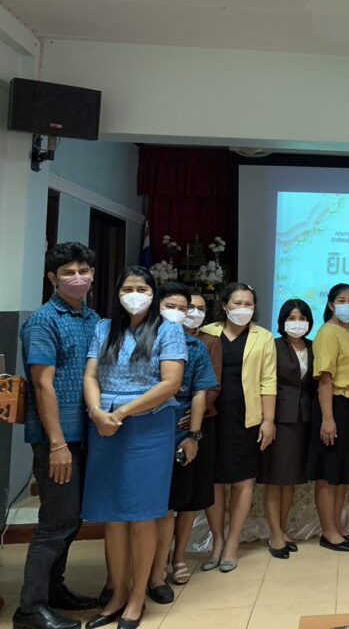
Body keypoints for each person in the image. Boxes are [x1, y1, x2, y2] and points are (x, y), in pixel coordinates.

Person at [80, 266, 186, 629]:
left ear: (153, 294)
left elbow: (171, 383)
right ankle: (118, 593)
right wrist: (97, 412)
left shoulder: (168, 330)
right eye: (128, 288)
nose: (135, 294)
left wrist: (122, 412)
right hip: (105, 425)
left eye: (142, 288)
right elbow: (91, 375)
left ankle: (138, 597)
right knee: (113, 516)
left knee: (142, 515)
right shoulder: (103, 328)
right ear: (117, 292)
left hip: (148, 427)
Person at [14, 243, 101, 629]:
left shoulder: (93, 319)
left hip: (87, 434)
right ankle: (30, 609)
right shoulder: (43, 321)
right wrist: (57, 443)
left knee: (73, 518)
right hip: (57, 439)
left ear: (93, 275)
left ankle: (54, 589)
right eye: (68, 272)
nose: (77, 277)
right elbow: (42, 385)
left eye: (83, 270)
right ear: (52, 278)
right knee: (56, 521)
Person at [200, 283, 277, 572]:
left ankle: (233, 543)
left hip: (246, 417)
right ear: (224, 305)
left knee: (242, 480)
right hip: (210, 416)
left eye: (249, 304)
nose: (243, 309)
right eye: (237, 303)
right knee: (213, 480)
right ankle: (217, 540)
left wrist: (268, 420)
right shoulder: (207, 332)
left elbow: (268, 381)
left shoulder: (263, 337)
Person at [149, 283, 217, 605]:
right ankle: (129, 576)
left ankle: (160, 570)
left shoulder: (196, 347)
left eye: (183, 308)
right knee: (146, 509)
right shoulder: (141, 340)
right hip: (143, 435)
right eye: (170, 306)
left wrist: (193, 434)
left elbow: (201, 392)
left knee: (172, 506)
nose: (178, 313)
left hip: (179, 437)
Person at [307, 283, 349, 552]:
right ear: (331, 304)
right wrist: (328, 418)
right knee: (329, 471)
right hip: (335, 404)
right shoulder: (327, 332)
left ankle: (338, 526)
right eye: (341, 300)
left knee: (343, 470)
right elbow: (325, 379)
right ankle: (328, 531)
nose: (347, 304)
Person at [170, 292, 222, 586]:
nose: (194, 313)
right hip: (160, 426)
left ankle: (178, 557)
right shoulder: (156, 338)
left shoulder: (207, 343)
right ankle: (156, 560)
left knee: (189, 498)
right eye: (189, 307)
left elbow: (210, 386)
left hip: (196, 428)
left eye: (201, 309)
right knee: (164, 501)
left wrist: (194, 417)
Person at [259, 299, 315, 557]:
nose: (297, 323)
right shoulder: (274, 346)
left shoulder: (312, 347)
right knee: (275, 478)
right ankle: (274, 534)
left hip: (304, 418)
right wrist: (267, 420)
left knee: (290, 478)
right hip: (279, 419)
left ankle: (282, 529)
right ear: (282, 321)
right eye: (292, 318)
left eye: (302, 318)